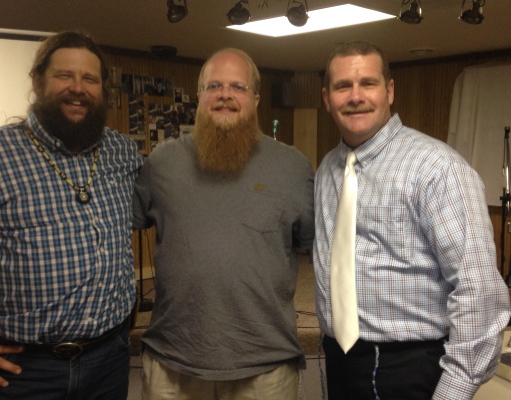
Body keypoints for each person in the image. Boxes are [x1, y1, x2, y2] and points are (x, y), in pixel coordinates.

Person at [0, 31, 143, 399]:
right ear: (38, 80)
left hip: (109, 361)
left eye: (90, 79)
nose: (78, 88)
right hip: (21, 371)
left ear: (103, 89)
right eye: (64, 75)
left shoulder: (122, 152)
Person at [313, 40, 511, 400]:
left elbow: (478, 293)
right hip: (340, 359)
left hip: (408, 368)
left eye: (368, 83)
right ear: (327, 98)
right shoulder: (328, 168)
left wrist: (451, 393)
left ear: (389, 91)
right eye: (343, 86)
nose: (355, 96)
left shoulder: (437, 169)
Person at [132, 48, 315, 399]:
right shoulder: (162, 163)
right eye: (214, 85)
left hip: (266, 366)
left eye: (238, 87)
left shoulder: (293, 168)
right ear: (199, 96)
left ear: (256, 99)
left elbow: (310, 244)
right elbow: (119, 226)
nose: (225, 95)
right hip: (172, 363)